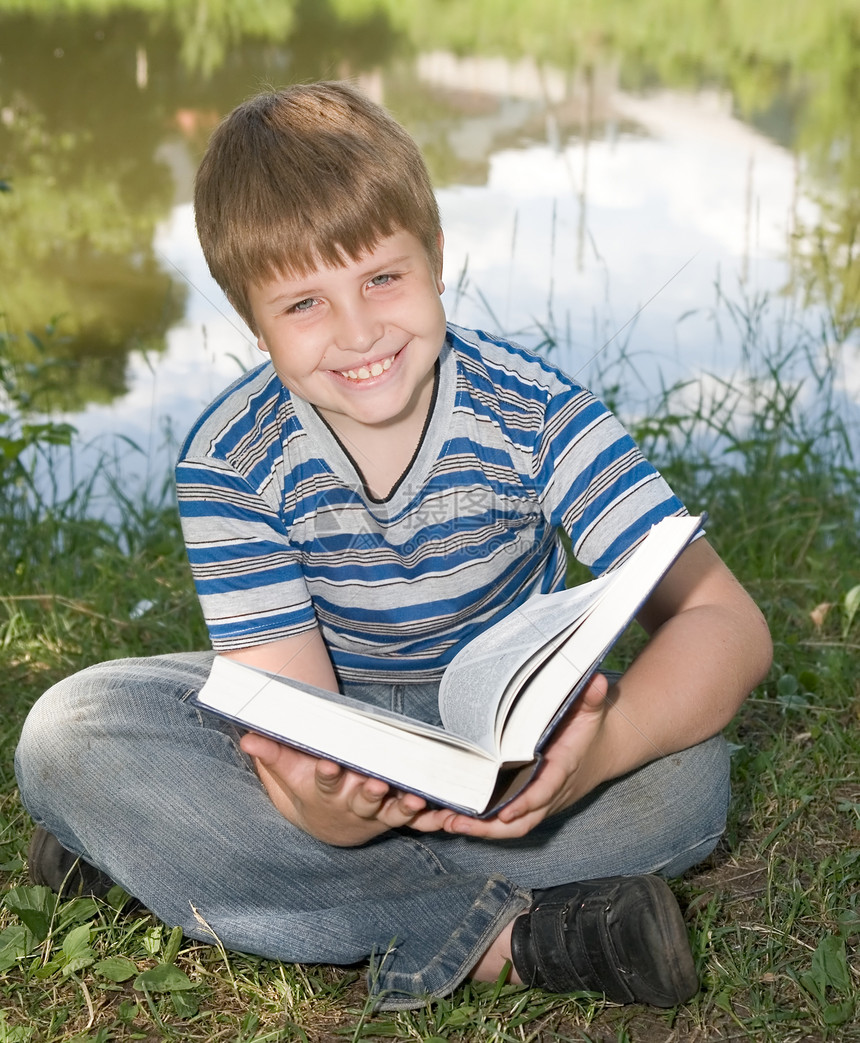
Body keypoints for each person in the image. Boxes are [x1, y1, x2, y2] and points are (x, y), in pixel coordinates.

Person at [15, 81, 772, 1011]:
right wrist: (319, 811)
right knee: (72, 731)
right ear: (251, 319)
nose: (360, 331)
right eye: (304, 304)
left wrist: (605, 749)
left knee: (690, 780)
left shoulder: (537, 414)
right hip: (337, 723)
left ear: (437, 258)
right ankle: (515, 942)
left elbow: (726, 620)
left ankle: (168, 873)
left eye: (382, 277)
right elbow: (290, 713)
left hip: (511, 750)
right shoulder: (232, 463)